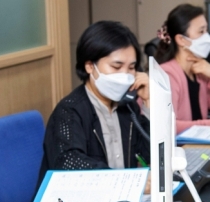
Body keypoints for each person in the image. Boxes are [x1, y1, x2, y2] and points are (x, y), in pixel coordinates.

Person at [39, 21, 150, 182]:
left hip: (121, 200)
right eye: (116, 66)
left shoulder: (128, 107)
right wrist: (126, 181)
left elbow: (148, 157)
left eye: (132, 67)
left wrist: (148, 102)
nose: (125, 75)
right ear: (90, 66)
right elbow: (69, 165)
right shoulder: (68, 111)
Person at [155, 4, 210, 133]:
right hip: (181, 149)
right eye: (201, 31)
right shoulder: (168, 75)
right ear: (181, 40)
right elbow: (168, 126)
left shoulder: (199, 71)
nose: (207, 37)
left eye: (206, 31)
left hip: (199, 144)